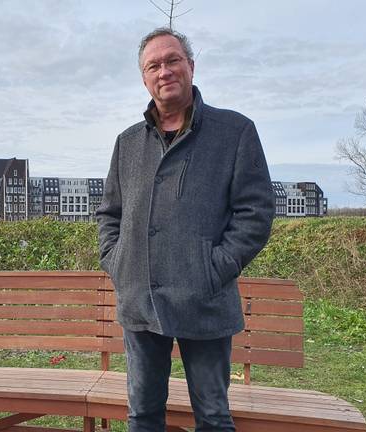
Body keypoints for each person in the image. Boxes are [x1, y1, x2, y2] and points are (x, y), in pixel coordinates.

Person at [95, 28, 275, 432]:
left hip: (205, 300)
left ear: (191, 66)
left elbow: (256, 212)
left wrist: (215, 267)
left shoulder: (235, 132)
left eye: (172, 60)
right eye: (153, 65)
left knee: (212, 415)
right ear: (144, 78)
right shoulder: (127, 143)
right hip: (140, 300)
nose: (164, 71)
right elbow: (110, 213)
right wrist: (118, 260)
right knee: (142, 415)